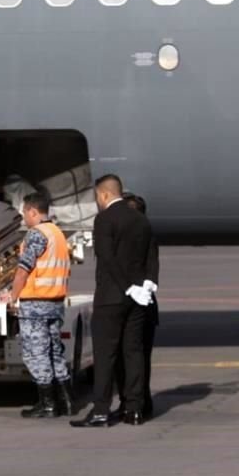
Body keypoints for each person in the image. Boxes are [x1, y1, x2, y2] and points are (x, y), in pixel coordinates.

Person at [71, 174, 155, 428]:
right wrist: (148, 284)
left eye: (97, 196)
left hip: (112, 296)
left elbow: (107, 258)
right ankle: (134, 410)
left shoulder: (105, 219)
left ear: (104, 194)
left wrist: (128, 287)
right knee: (134, 353)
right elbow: (152, 255)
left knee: (105, 355)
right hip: (139, 299)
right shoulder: (140, 219)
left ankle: (100, 410)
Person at [1, 191, 75, 418]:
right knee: (55, 351)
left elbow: (23, 270)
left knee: (36, 354)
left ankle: (48, 404)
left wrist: (13, 296)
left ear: (33, 211)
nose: (25, 217)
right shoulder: (58, 234)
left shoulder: (36, 234)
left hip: (36, 304)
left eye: (25, 213)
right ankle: (66, 402)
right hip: (55, 301)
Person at [115, 192, 160, 418]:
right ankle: (139, 402)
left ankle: (133, 403)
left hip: (135, 305)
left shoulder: (133, 238)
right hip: (143, 305)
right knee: (136, 357)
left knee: (131, 357)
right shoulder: (147, 236)